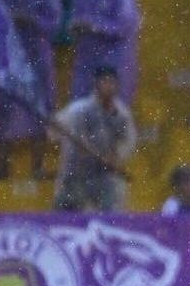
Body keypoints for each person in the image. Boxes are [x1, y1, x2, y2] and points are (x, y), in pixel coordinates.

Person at [0, 0, 61, 180]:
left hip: (35, 60)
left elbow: (56, 25)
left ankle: (37, 166)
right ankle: (1, 165)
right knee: (3, 113)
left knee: (39, 114)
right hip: (8, 59)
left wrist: (32, 21)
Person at [53, 65, 136, 212]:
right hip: (75, 173)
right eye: (105, 82)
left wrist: (115, 156)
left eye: (112, 82)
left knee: (112, 213)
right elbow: (53, 130)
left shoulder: (122, 113)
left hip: (105, 175)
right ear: (96, 84)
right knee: (66, 214)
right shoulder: (78, 109)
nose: (109, 86)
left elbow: (128, 141)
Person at [68, 0, 140, 103]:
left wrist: (95, 27)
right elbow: (76, 18)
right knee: (81, 106)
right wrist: (76, 27)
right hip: (87, 59)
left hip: (114, 59)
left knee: (114, 107)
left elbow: (125, 27)